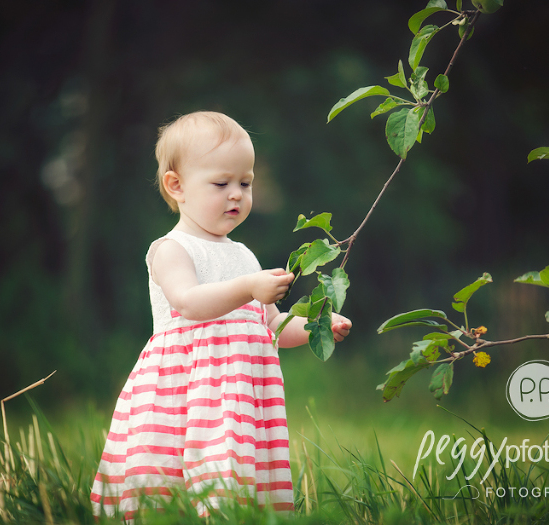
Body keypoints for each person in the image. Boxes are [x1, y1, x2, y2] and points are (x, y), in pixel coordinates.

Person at [90, 111, 352, 520]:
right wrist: (249, 287)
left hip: (238, 394)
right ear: (176, 186)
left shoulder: (244, 255)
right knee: (180, 473)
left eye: (245, 183)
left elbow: (271, 326)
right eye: (221, 183)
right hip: (186, 388)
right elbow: (189, 302)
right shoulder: (171, 249)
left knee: (236, 473)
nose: (236, 194)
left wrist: (317, 325)